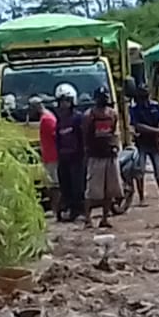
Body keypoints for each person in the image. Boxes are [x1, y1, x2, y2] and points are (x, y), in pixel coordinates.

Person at [82, 86, 124, 228]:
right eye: (101, 97)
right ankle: (88, 219)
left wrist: (115, 147)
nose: (103, 99)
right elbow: (85, 136)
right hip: (95, 156)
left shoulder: (113, 114)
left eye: (105, 97)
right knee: (92, 191)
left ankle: (105, 218)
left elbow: (115, 133)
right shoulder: (89, 115)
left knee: (110, 190)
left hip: (110, 156)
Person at [128, 84, 159, 206]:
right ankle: (142, 198)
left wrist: (158, 133)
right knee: (140, 171)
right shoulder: (135, 109)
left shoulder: (154, 106)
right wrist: (158, 132)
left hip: (153, 143)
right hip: (142, 143)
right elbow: (138, 126)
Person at [53, 84, 85, 222]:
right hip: (64, 158)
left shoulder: (78, 118)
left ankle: (80, 210)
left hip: (77, 158)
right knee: (65, 185)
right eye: (61, 101)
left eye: (66, 101)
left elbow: (82, 138)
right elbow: (58, 140)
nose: (63, 104)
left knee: (77, 186)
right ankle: (68, 207)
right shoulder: (60, 121)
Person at [31, 96, 60, 218]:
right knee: (51, 184)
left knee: (54, 185)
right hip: (48, 156)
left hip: (52, 156)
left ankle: (56, 209)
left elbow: (55, 136)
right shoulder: (46, 117)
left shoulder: (47, 119)